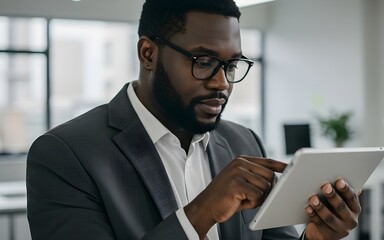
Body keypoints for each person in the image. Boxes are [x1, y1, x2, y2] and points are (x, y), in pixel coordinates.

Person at [26, 0, 361, 239]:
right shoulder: (64, 154)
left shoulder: (244, 142)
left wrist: (316, 238)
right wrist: (202, 213)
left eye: (231, 65)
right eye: (203, 61)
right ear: (148, 54)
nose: (222, 83)